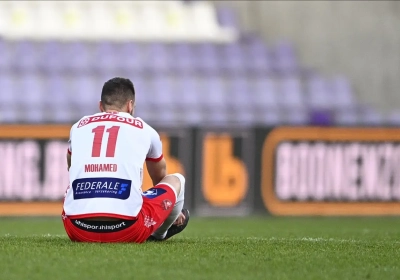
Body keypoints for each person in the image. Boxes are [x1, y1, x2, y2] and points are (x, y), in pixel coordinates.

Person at [62, 77, 189, 243]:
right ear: (130, 105)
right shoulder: (145, 130)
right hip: (126, 230)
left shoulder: (78, 126)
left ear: (101, 106)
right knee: (177, 179)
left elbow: (71, 165)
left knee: (73, 186)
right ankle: (159, 234)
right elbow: (160, 178)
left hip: (77, 230)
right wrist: (169, 209)